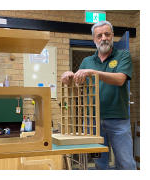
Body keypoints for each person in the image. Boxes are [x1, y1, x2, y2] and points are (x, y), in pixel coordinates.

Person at [61, 21, 137, 170]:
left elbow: (120, 79)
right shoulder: (87, 61)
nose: (104, 38)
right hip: (92, 122)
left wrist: (93, 73)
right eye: (99, 35)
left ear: (113, 36)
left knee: (126, 163)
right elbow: (77, 93)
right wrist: (69, 80)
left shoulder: (123, 55)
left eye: (107, 34)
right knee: (99, 165)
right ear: (94, 40)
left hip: (118, 120)